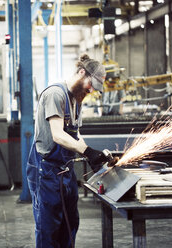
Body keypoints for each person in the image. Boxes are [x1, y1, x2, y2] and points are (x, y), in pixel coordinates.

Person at [27, 54, 111, 248]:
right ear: (82, 73)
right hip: (46, 170)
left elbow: (75, 135)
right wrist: (87, 151)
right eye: (91, 85)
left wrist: (92, 154)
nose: (91, 91)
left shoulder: (77, 100)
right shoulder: (55, 94)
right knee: (49, 227)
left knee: (69, 222)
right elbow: (57, 135)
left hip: (65, 170)